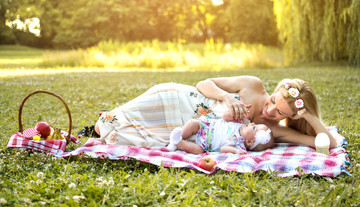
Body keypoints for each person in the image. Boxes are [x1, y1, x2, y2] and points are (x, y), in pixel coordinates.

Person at [94, 76, 336, 149]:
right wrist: (227, 97)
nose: (270, 109)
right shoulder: (253, 85)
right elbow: (203, 83)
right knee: (105, 123)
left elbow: (328, 144)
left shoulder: (274, 131)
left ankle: (111, 119)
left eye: (279, 112)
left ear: (290, 117)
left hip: (187, 128)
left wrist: (307, 116)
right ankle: (110, 117)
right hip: (177, 99)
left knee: (117, 136)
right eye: (273, 100)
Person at [166, 112, 274, 154]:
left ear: (250, 142)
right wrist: (237, 113)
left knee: (198, 150)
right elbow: (224, 117)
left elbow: (223, 149)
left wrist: (235, 151)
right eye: (254, 124)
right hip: (205, 127)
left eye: (254, 127)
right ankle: (174, 142)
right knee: (192, 123)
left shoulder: (238, 144)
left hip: (205, 143)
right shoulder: (241, 122)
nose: (252, 124)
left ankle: (178, 141)